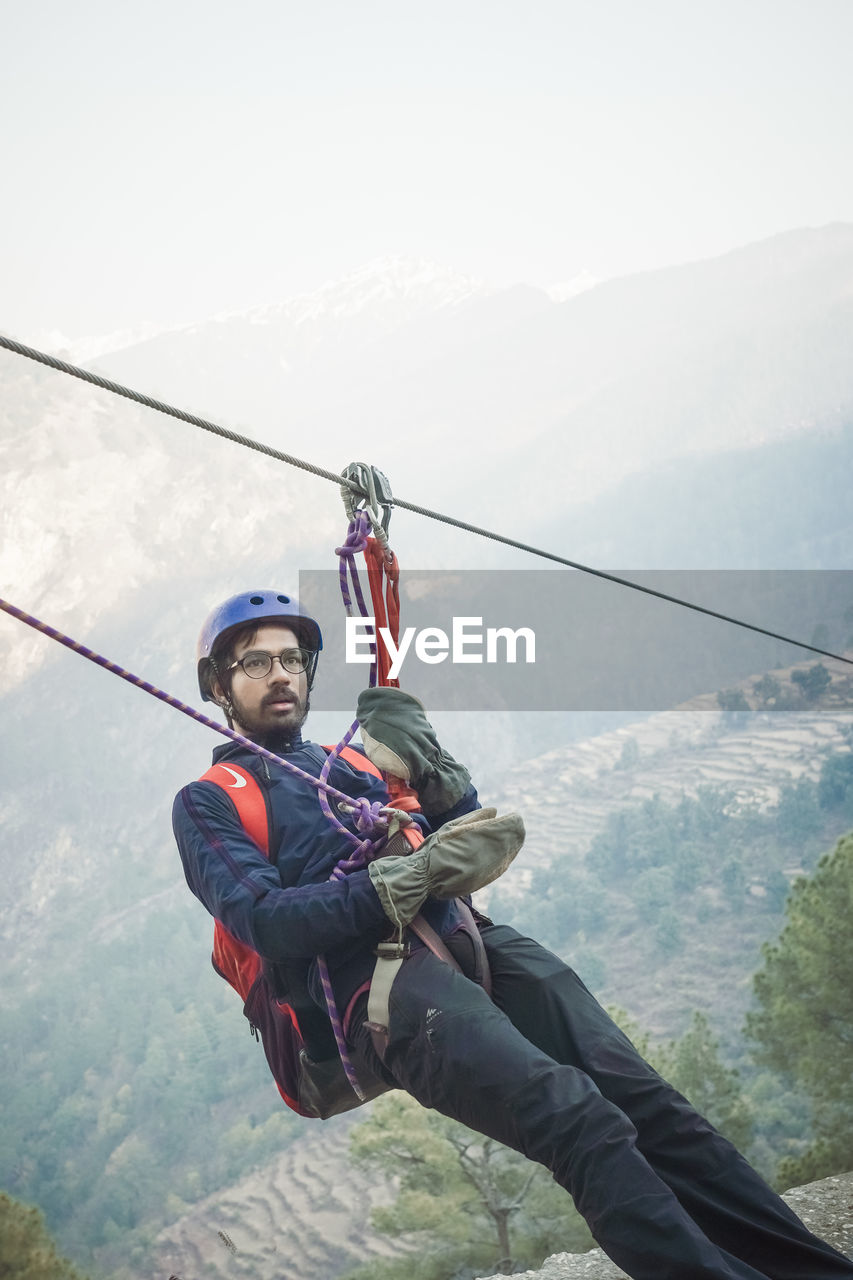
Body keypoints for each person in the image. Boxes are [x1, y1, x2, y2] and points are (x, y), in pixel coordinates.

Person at [173, 589, 853, 1280]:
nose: (280, 674)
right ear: (219, 686)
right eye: (254, 663)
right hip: (377, 995)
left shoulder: (349, 762)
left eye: (290, 657)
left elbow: (453, 841)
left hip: (465, 942)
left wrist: (434, 773)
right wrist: (397, 882)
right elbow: (264, 919)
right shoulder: (210, 800)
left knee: (651, 1108)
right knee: (574, 1119)